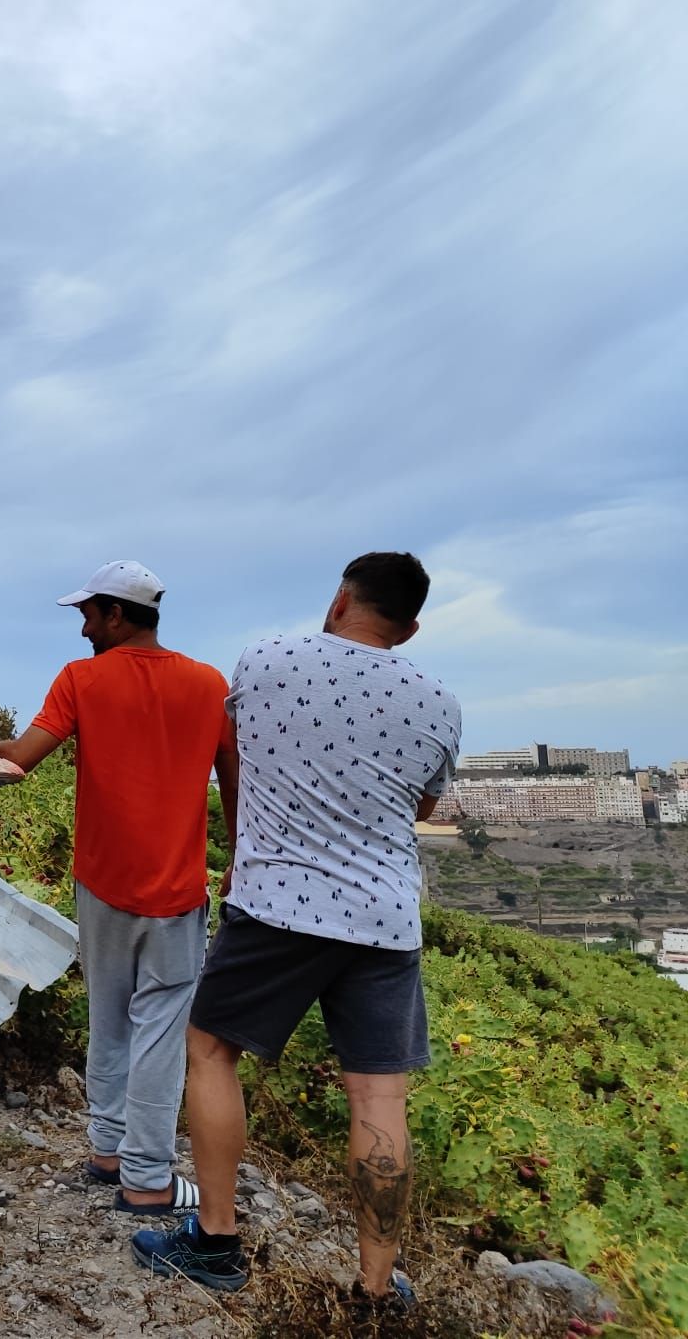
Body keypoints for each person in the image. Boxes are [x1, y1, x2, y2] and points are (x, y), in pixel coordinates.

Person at [132, 552, 461, 1309]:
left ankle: (214, 1243)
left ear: (342, 597)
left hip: (277, 902)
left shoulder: (267, 660)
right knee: (380, 1099)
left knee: (211, 1050)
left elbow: (241, 755)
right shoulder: (439, 701)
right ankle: (376, 1293)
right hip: (383, 920)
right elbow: (422, 812)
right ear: (410, 629)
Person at [0, 560, 234, 1217]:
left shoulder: (82, 680)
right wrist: (239, 858)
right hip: (178, 892)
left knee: (110, 1018)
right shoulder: (210, 685)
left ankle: (109, 1151)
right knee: (159, 1029)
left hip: (101, 885)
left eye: (89, 615)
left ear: (117, 615)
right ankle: (148, 1177)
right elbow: (235, 781)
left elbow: (18, 760)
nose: (85, 628)